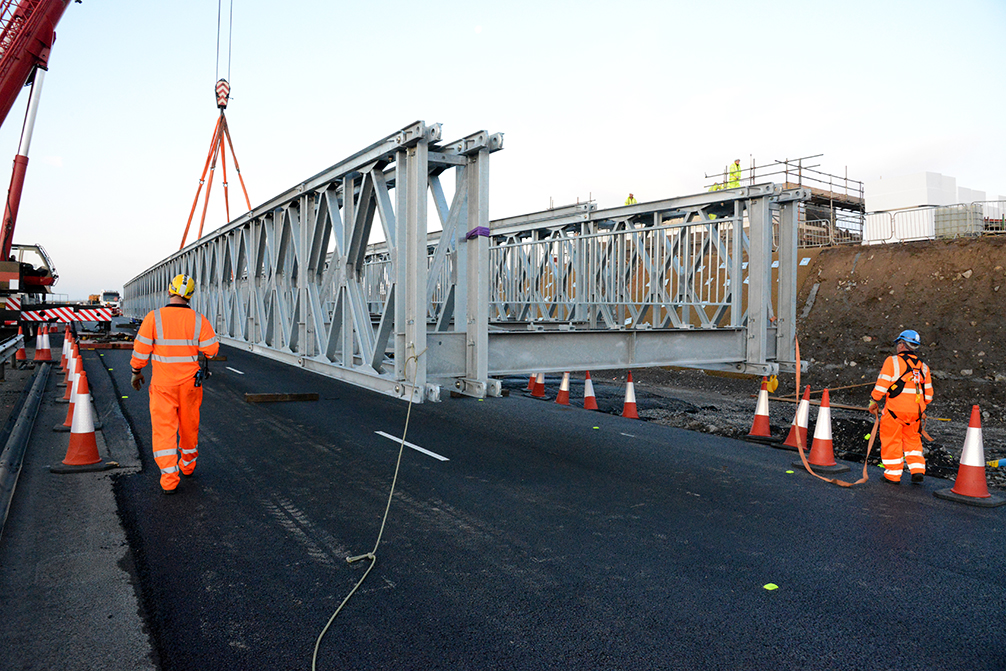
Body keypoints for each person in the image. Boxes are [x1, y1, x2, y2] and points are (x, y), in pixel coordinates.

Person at [130, 274, 219, 494]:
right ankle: (187, 467)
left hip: (162, 385)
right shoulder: (198, 319)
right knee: (189, 426)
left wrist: (136, 371)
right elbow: (212, 351)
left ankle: (169, 479)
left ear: (169, 290)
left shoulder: (154, 318)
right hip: (190, 384)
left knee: (164, 430)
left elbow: (141, 351)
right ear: (190, 295)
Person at [868, 329, 933, 484]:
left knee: (892, 440)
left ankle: (893, 475)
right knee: (913, 440)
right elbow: (929, 396)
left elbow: (882, 385)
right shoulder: (924, 367)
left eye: (898, 343)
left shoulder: (892, 361)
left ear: (903, 344)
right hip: (916, 413)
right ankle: (917, 470)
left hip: (894, 411)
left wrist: (873, 400)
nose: (897, 346)